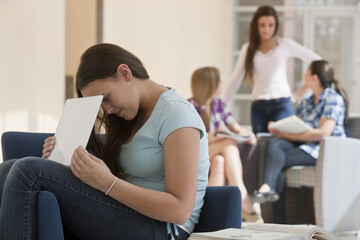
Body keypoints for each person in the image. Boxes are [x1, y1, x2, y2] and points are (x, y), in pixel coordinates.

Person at [0, 43, 210, 240]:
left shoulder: (176, 114)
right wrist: (59, 158)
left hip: (162, 228)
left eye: (106, 98)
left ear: (125, 73)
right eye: (101, 104)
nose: (107, 110)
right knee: (8, 168)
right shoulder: (130, 117)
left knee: (29, 170)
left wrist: (108, 183)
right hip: (126, 210)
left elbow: (180, 210)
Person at [252, 60, 348, 208]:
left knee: (277, 161)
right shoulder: (308, 100)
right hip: (305, 144)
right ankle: (268, 190)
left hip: (323, 149)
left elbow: (323, 133)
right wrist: (279, 129)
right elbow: (296, 122)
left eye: (307, 73)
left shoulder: (333, 98)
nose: (304, 75)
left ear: (314, 78)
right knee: (274, 144)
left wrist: (287, 135)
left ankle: (275, 212)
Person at [224, 5, 321, 134]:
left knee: (279, 144)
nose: (266, 29)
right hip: (258, 106)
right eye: (262, 25)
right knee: (260, 146)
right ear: (256, 26)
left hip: (282, 104)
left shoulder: (285, 44)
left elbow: (317, 60)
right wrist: (222, 105)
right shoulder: (248, 49)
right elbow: (235, 80)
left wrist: (304, 88)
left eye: (271, 25)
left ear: (276, 26)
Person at [188, 66, 262, 223]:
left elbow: (235, 127)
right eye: (218, 80)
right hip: (195, 153)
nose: (221, 83)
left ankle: (208, 210)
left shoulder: (218, 104)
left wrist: (247, 135)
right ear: (209, 84)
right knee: (228, 143)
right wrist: (208, 137)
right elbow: (186, 138)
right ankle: (243, 195)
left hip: (213, 153)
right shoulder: (189, 106)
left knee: (219, 161)